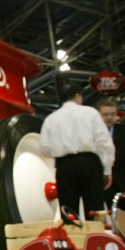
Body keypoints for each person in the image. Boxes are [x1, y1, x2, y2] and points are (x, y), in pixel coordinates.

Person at [40, 83, 115, 220]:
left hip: (65, 166)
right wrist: (107, 169)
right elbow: (104, 143)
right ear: (78, 96)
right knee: (95, 212)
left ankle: (71, 233)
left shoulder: (51, 119)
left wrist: (60, 151)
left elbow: (45, 148)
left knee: (69, 213)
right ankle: (95, 233)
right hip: (90, 163)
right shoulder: (91, 113)